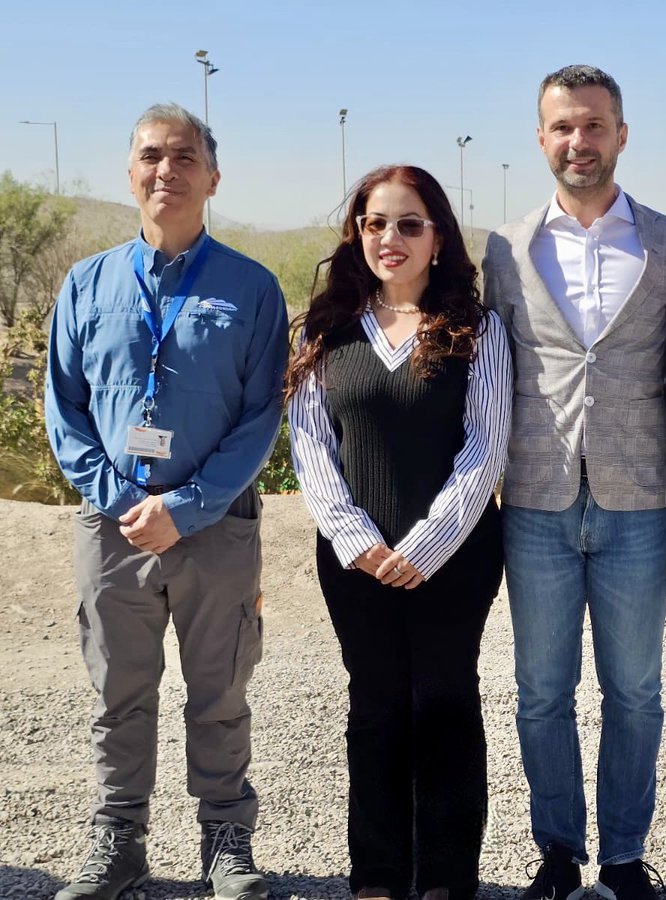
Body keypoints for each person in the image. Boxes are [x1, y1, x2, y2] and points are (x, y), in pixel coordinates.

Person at [44, 103, 288, 900]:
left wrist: (186, 506)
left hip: (216, 527)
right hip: (112, 528)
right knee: (119, 691)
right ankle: (120, 839)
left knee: (219, 689)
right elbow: (65, 410)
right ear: (130, 171)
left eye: (184, 157)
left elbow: (260, 418)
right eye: (151, 155)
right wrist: (122, 500)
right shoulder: (86, 285)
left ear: (212, 178)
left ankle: (226, 839)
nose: (166, 170)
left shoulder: (251, 289)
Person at [482, 64, 666, 900]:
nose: (580, 141)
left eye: (595, 125)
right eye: (564, 127)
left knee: (636, 691)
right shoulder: (504, 247)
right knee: (541, 693)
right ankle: (558, 854)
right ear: (542, 138)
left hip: (640, 501)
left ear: (621, 135)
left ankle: (625, 856)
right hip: (532, 500)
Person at [286, 164, 511, 900]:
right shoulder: (324, 331)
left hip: (456, 557)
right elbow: (311, 446)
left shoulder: (478, 330)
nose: (391, 238)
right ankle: (378, 878)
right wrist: (357, 541)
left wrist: (423, 548)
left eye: (409, 223)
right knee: (375, 707)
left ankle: (447, 879)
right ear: (357, 234)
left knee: (445, 703)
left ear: (438, 238)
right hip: (354, 562)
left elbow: (486, 446)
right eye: (376, 223)